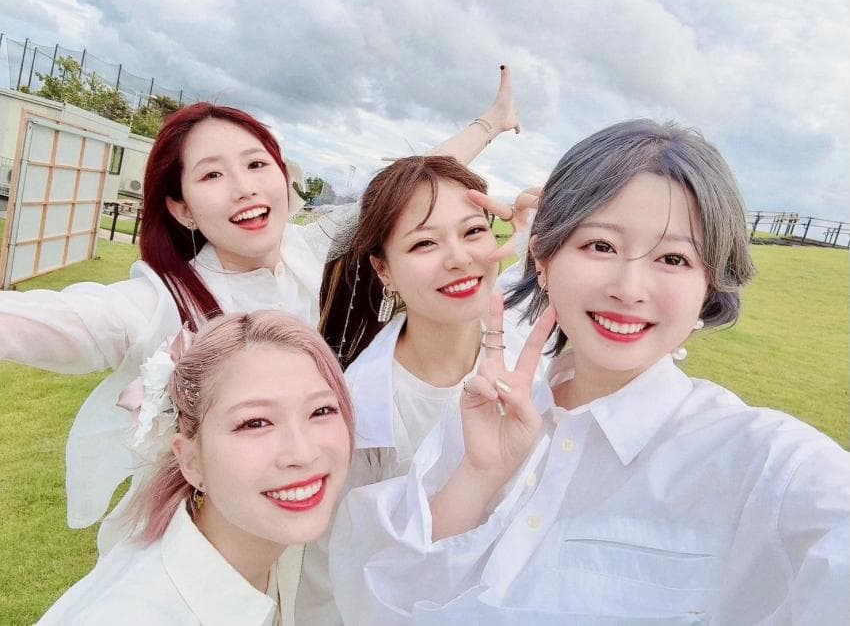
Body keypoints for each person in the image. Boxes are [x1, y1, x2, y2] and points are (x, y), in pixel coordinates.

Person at [328, 119, 850, 624]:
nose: (629, 288)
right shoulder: (486, 418)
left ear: (709, 285)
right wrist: (481, 476)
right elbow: (383, 598)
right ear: (543, 258)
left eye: (674, 258)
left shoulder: (758, 460)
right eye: (600, 246)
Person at [0, 66, 521, 549]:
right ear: (181, 209)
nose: (245, 187)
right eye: (212, 176)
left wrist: (492, 123)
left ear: (283, 176)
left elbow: (406, 193)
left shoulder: (311, 248)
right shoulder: (162, 301)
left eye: (255, 164)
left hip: (311, 513)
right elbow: (57, 322)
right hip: (214, 541)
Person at [296, 155, 539, 622]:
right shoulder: (358, 412)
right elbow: (333, 576)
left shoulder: (528, 342)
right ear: (383, 270)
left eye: (473, 231)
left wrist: (555, 233)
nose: (459, 258)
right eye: (425, 242)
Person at [38, 310, 354, 625]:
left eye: (321, 410)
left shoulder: (276, 542)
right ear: (190, 460)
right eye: (255, 423)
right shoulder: (136, 614)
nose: (302, 453)